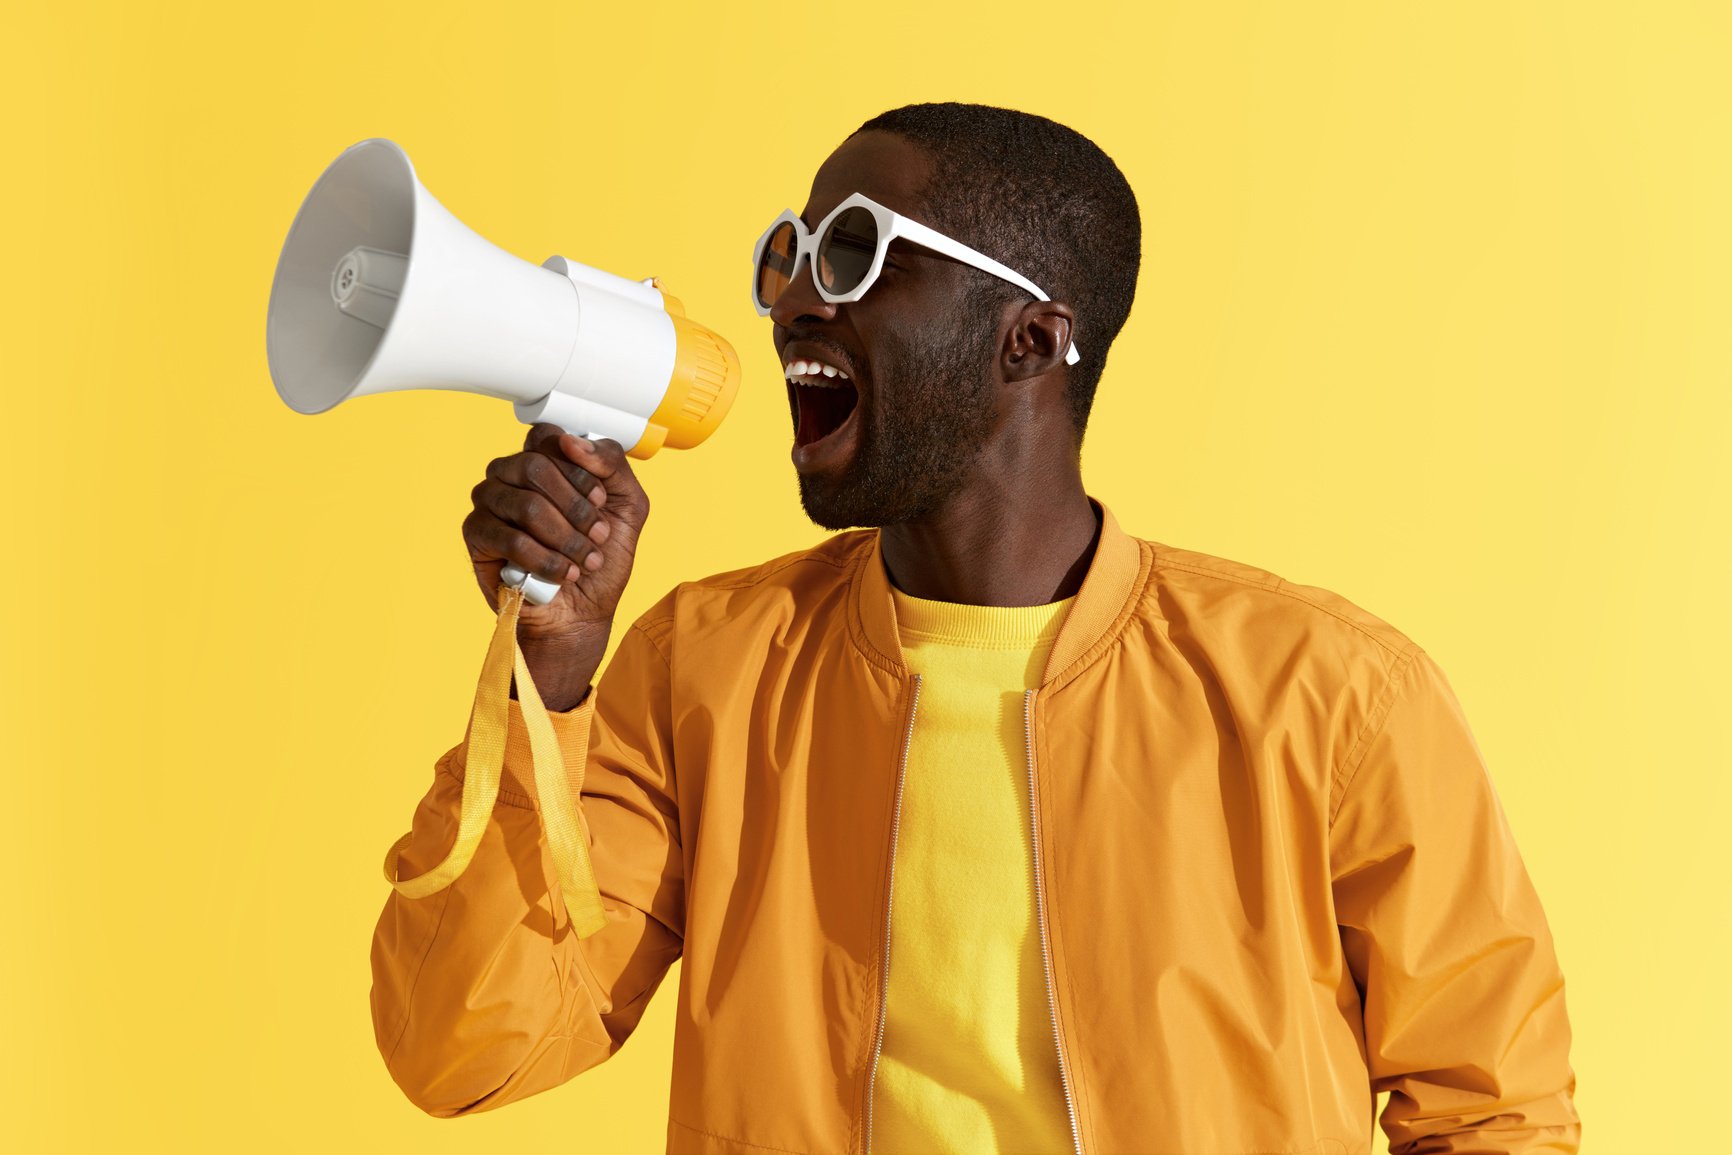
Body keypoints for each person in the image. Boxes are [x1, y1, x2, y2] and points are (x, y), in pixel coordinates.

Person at [368, 102, 1581, 1154]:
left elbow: (1493, 1112)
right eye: (789, 253)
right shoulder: (707, 669)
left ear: (1034, 338)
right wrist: (548, 676)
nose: (792, 298)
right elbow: (463, 1050)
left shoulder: (1330, 696)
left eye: (856, 254)